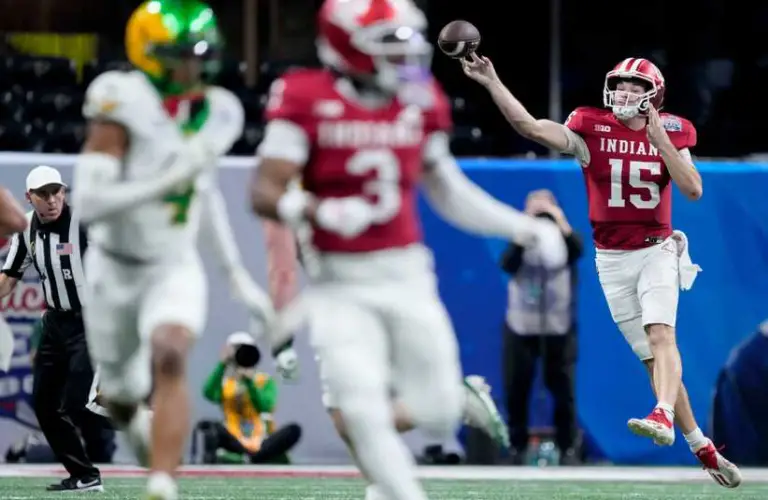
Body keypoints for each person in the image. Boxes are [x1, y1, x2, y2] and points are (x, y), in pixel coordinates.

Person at [250, 1, 568, 498]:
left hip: (404, 273)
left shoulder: (419, 99)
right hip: (339, 283)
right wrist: (313, 210)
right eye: (387, 44)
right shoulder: (302, 96)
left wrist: (521, 228)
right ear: (345, 47)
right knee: (354, 410)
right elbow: (263, 191)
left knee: (436, 409)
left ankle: (458, 404)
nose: (402, 56)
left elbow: (448, 190)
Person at [461, 53, 742, 487]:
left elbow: (693, 189)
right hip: (611, 259)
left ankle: (662, 413)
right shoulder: (590, 125)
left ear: (654, 96)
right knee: (654, 361)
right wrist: (492, 80)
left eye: (635, 86)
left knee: (661, 334)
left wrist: (657, 139)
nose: (625, 92)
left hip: (658, 249)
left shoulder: (673, 129)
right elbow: (531, 128)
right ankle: (700, 445)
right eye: (620, 84)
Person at [71, 2, 274, 499]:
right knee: (117, 399)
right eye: (181, 55)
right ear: (151, 53)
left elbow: (204, 196)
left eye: (200, 55)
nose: (193, 66)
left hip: (172, 265)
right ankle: (142, 440)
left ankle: (163, 483)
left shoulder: (221, 110)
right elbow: (91, 203)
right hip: (114, 269)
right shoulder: (120, 99)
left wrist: (237, 277)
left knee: (170, 353)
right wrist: (167, 179)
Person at [0, 166, 103, 492]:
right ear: (29, 198)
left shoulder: (84, 223)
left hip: (91, 321)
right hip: (56, 322)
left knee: (76, 399)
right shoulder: (27, 229)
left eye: (57, 191)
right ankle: (84, 475)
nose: (52, 199)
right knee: (44, 403)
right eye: (43, 194)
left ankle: (130, 407)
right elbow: (10, 277)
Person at [499, 189, 583, 465]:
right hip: (521, 325)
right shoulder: (519, 235)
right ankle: (516, 447)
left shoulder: (563, 236)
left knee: (563, 390)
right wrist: (524, 225)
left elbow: (577, 250)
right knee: (516, 389)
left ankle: (568, 448)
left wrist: (559, 220)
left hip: (558, 325)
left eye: (546, 208)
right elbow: (508, 262)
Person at [199, 331, 301, 464]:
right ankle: (253, 458)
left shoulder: (264, 381)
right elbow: (209, 394)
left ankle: (250, 458)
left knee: (293, 430)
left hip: (262, 440)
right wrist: (222, 365)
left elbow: (265, 407)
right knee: (211, 428)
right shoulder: (223, 382)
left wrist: (249, 382)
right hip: (234, 440)